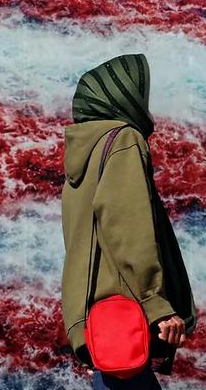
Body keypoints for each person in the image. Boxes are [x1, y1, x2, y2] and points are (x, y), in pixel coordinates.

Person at [61, 54, 197, 389]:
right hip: (128, 314)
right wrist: (156, 304)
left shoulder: (85, 151)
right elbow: (126, 225)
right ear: (122, 97)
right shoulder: (122, 139)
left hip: (102, 319)